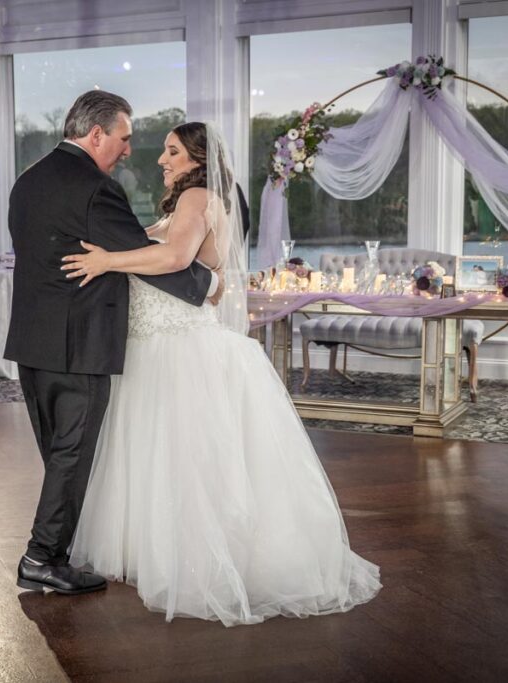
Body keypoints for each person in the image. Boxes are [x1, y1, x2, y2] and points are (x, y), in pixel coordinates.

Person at [60, 122, 382, 626]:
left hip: (177, 347)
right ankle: (157, 551)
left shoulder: (199, 198)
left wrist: (105, 261)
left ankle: (193, 559)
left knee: (182, 459)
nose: (161, 160)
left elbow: (174, 257)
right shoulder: (190, 203)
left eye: (172, 152)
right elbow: (208, 280)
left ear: (197, 159)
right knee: (160, 454)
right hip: (157, 344)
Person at [5, 90, 219, 596]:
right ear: (96, 133)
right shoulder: (94, 188)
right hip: (79, 343)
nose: (128, 150)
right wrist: (207, 286)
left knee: (58, 453)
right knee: (72, 455)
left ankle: (54, 547)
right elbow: (143, 252)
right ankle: (42, 558)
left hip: (32, 342)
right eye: (123, 139)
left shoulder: (27, 180)